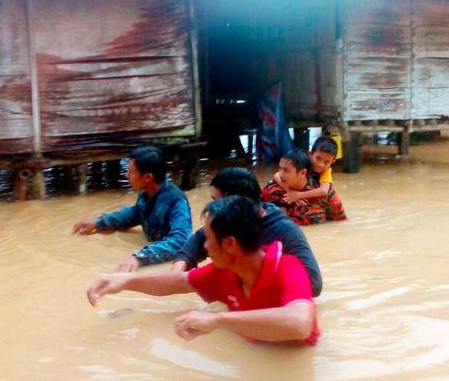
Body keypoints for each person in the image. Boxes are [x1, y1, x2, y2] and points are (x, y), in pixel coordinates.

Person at [87, 196, 320, 346]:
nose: (205, 247)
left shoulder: (289, 267)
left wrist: (218, 320)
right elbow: (176, 282)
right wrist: (124, 282)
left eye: (208, 239)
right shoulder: (223, 273)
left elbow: (299, 324)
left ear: (229, 244)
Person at [170, 167, 323, 296]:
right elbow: (196, 242)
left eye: (217, 201)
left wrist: (251, 280)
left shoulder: (285, 231)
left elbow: (314, 284)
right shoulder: (227, 222)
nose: (212, 207)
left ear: (236, 205)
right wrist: (177, 272)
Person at [72, 146, 191, 272]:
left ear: (147, 178)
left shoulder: (177, 201)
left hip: (164, 258)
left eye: (131, 172)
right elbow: (134, 214)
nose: (126, 175)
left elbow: (180, 241)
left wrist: (140, 257)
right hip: (152, 246)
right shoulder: (146, 193)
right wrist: (98, 223)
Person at [262, 149, 347, 226]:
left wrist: (297, 195)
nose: (281, 174)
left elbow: (341, 223)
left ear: (303, 173)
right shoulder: (273, 189)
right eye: (280, 168)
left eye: (286, 170)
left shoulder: (327, 195)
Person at [272, 136, 340, 205]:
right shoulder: (303, 161)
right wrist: (290, 192)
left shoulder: (327, 170)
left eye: (327, 162)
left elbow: (323, 191)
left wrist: (298, 195)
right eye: (318, 158)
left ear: (332, 162)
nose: (321, 164)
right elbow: (276, 175)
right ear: (310, 154)